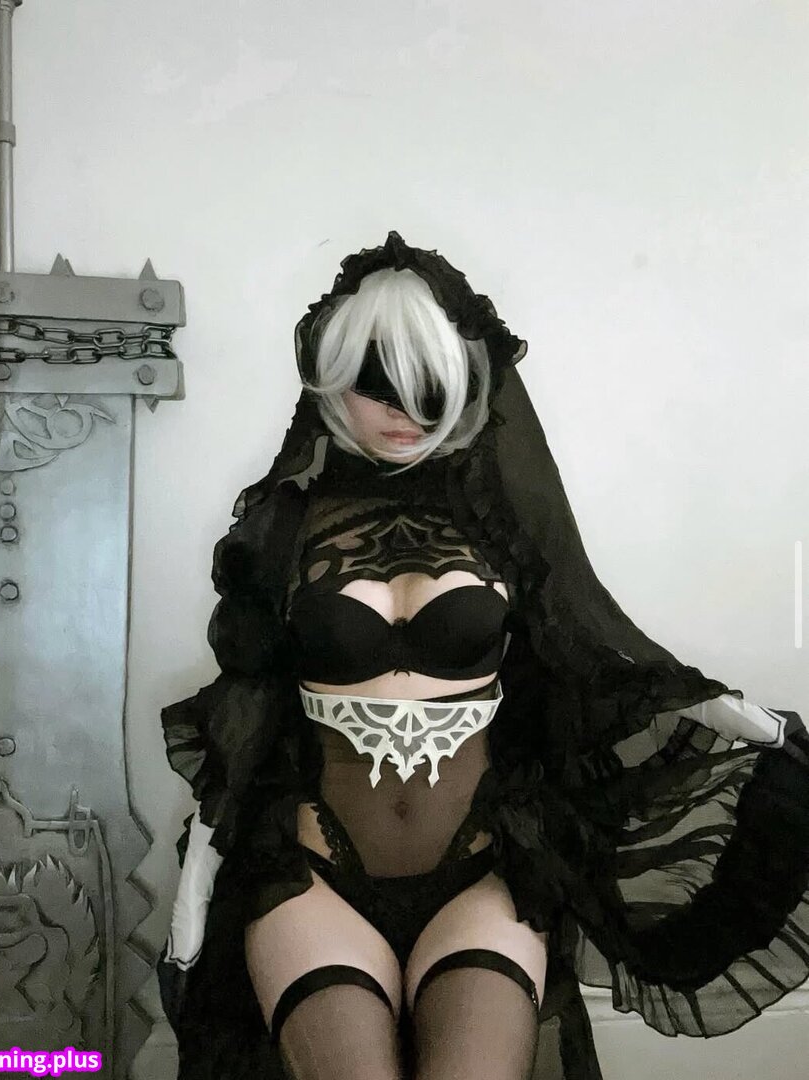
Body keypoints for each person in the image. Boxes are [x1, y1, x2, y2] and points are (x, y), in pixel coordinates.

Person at [158, 231, 809, 1080]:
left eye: (428, 384)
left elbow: (584, 652)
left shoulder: (503, 522)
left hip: (481, 873)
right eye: (375, 381)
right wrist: (199, 874)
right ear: (331, 377)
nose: (403, 411)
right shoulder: (284, 526)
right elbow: (246, 714)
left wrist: (733, 717)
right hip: (312, 872)